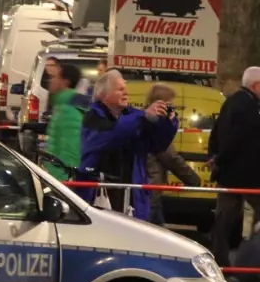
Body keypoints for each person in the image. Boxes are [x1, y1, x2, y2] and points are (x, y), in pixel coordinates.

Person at [79, 69, 177, 221]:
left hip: (132, 197)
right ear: (104, 94)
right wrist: (145, 116)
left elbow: (157, 144)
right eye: (120, 89)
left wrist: (166, 122)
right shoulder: (93, 117)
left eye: (125, 89)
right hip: (99, 195)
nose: (126, 93)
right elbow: (113, 134)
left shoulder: (134, 117)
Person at [208, 66, 260, 268]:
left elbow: (216, 131)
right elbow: (237, 139)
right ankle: (251, 263)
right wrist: (221, 158)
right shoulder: (250, 108)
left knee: (223, 222)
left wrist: (214, 157)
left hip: (228, 174)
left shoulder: (230, 101)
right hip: (249, 175)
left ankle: (218, 262)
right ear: (256, 85)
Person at [143, 84, 200, 228]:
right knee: (152, 230)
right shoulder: (155, 125)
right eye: (170, 105)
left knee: (156, 229)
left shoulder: (148, 120)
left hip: (150, 188)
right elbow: (171, 158)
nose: (173, 108)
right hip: (150, 189)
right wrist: (194, 180)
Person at [43, 63, 87, 180]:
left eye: (55, 77)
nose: (51, 80)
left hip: (62, 180)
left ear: (65, 82)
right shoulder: (61, 106)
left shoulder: (69, 111)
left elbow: (69, 153)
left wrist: (63, 181)